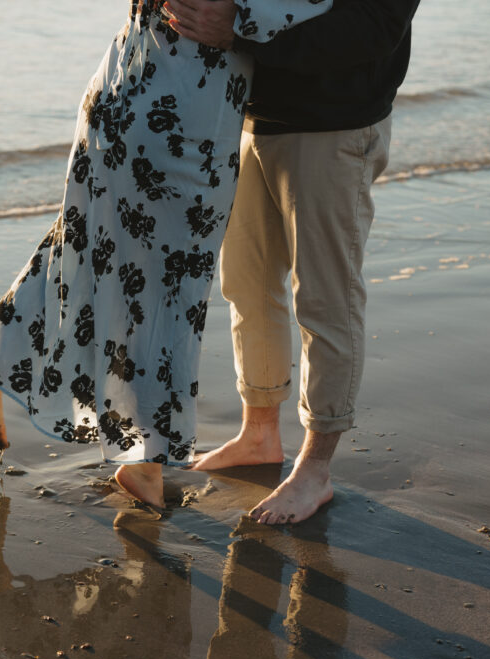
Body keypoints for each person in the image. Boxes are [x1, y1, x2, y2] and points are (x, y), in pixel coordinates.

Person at [0, 0, 333, 509]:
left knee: (88, 248)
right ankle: (146, 459)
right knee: (167, 284)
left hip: (118, 87)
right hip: (180, 117)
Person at [166, 0, 420, 524]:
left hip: (336, 125)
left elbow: (375, 28)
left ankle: (314, 471)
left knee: (326, 300)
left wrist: (237, 30)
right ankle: (258, 434)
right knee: (247, 285)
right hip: (249, 116)